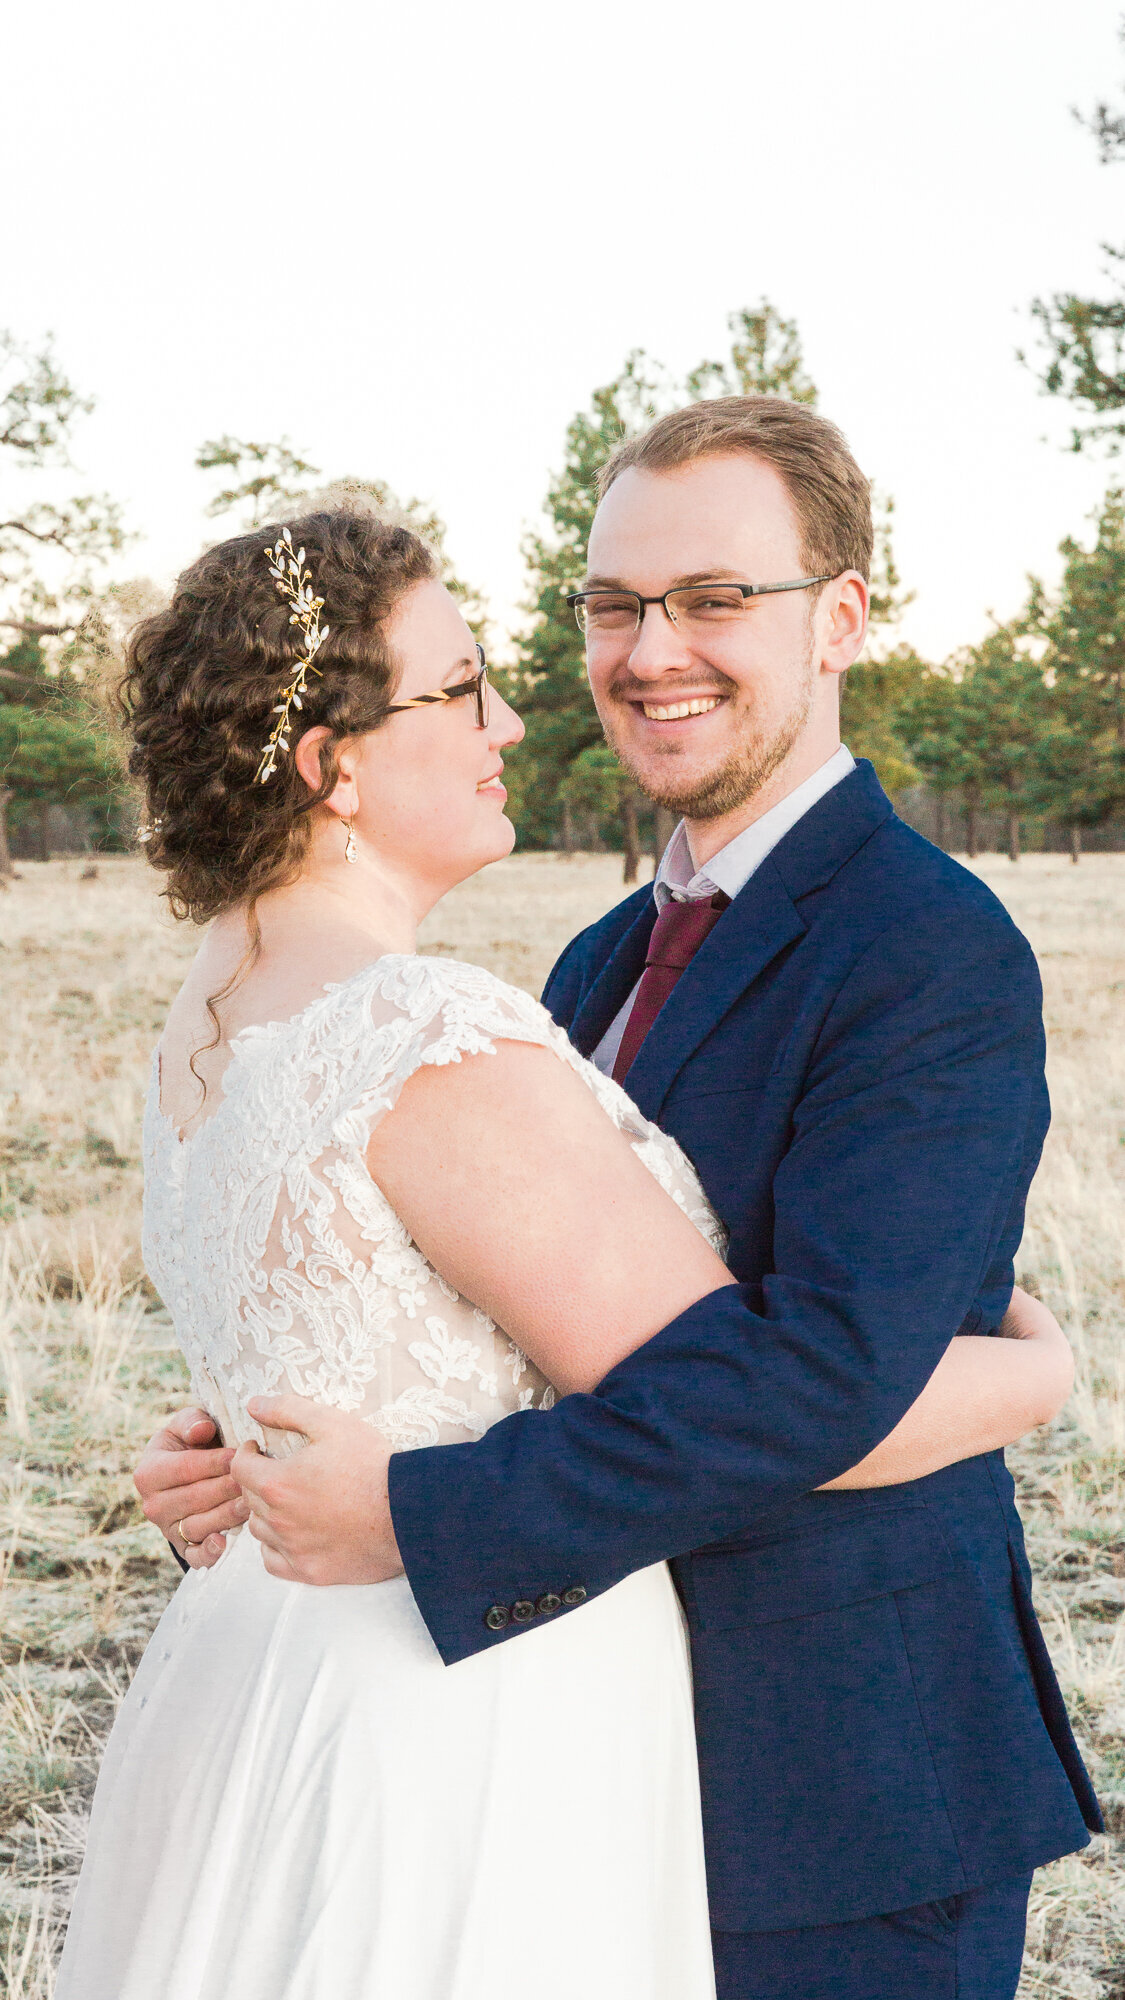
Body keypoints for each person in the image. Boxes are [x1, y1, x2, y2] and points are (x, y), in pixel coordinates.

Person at [116, 452, 1083, 2000]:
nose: (647, 653)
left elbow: (819, 1370)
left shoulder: (925, 949)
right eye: (613, 605)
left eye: (712, 600)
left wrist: (410, 1501)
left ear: (836, 617)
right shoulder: (578, 966)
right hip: (534, 1752)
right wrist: (278, 1441)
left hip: (834, 1788)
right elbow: (499, 1313)